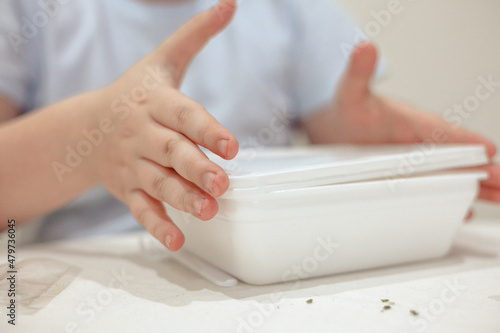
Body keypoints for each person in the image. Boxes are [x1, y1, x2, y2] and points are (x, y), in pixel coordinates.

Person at [0, 0, 498, 251]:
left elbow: (332, 128)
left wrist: (357, 138)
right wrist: (88, 139)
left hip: (270, 257)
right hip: (91, 271)